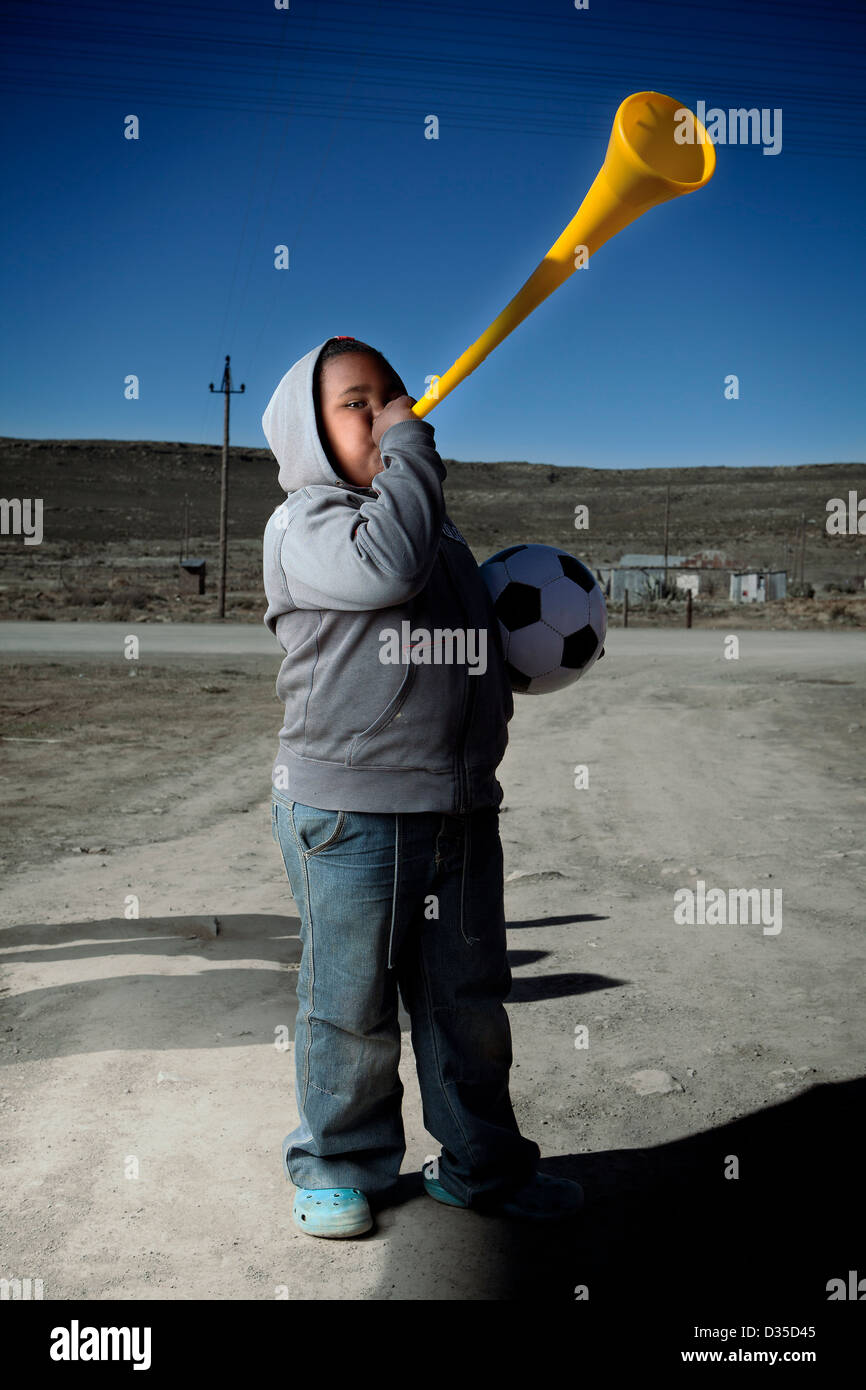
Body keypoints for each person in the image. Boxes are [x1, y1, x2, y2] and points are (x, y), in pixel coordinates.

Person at [261, 336, 584, 1238]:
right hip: (350, 814)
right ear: (308, 432)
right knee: (349, 1005)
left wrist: (505, 654)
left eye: (394, 397)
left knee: (467, 1003)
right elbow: (383, 571)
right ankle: (339, 1162)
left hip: (455, 809)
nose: (387, 415)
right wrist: (412, 452)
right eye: (357, 403)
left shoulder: (430, 523)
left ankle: (480, 1164)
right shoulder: (306, 522)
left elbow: (451, 626)